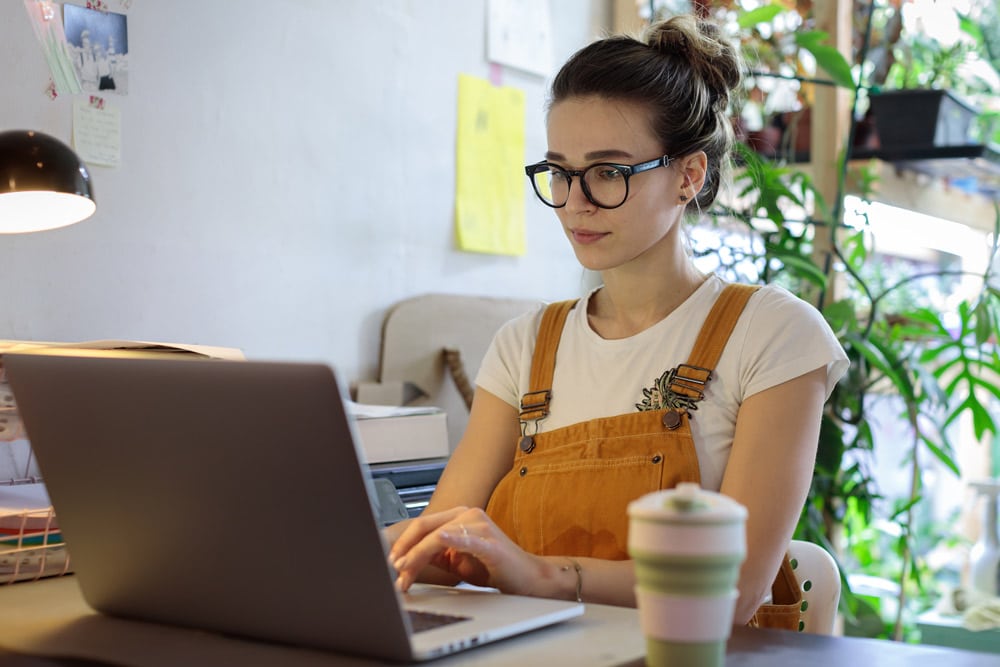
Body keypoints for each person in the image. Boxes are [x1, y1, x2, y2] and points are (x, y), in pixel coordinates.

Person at [387, 14, 849, 628]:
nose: (575, 200)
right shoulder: (524, 347)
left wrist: (542, 575)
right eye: (559, 171)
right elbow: (440, 545)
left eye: (608, 172)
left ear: (688, 176)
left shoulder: (773, 334)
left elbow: (734, 590)